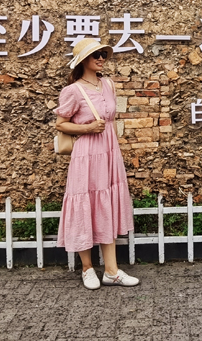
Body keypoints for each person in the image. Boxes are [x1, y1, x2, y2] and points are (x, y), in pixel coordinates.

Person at [54, 38, 138, 290]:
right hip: (87, 154)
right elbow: (60, 124)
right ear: (83, 60)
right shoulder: (73, 90)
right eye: (96, 55)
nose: (101, 58)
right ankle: (87, 268)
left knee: (106, 205)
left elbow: (110, 119)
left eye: (103, 54)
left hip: (109, 152)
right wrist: (87, 128)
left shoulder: (108, 84)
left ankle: (111, 271)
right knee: (85, 204)